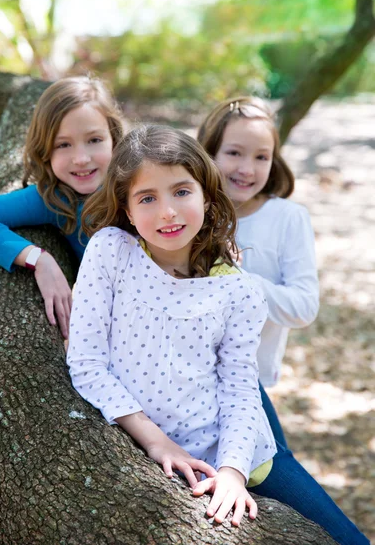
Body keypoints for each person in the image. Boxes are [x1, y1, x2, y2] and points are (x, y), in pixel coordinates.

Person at [67, 125, 369, 544]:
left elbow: (242, 389)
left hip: (238, 449)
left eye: (181, 192)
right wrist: (158, 443)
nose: (168, 212)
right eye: (148, 198)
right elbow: (86, 363)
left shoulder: (240, 290)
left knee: (343, 538)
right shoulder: (110, 252)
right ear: (126, 208)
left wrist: (232, 471)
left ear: (207, 196)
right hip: (153, 445)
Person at [197, 97, 319, 446]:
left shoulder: (287, 218)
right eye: (234, 153)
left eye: (261, 157)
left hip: (251, 384)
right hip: (184, 383)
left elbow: (303, 307)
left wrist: (235, 277)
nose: (247, 169)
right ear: (209, 153)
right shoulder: (187, 214)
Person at [0, 75, 123, 339]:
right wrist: (37, 258)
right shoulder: (55, 199)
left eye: (94, 140)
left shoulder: (141, 182)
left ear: (113, 138)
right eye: (63, 144)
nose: (81, 158)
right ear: (45, 151)